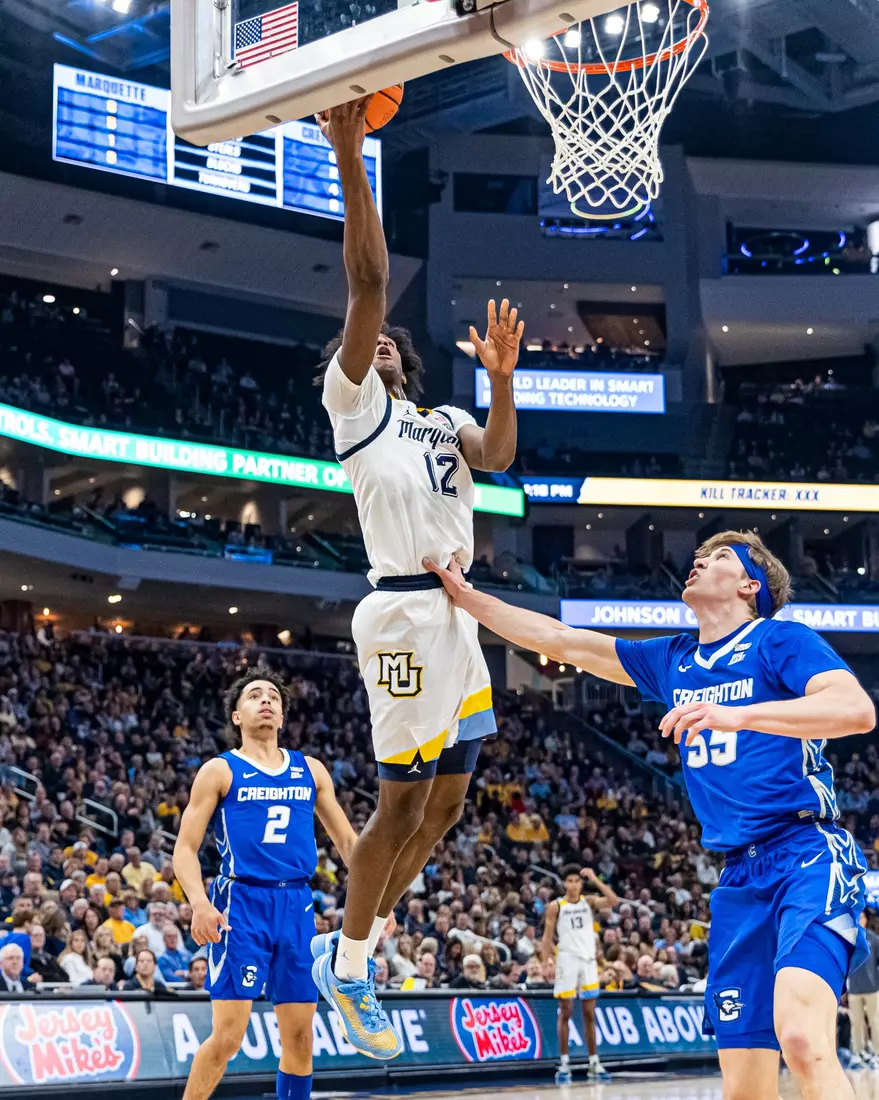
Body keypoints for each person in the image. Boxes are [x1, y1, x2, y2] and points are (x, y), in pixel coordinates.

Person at [424, 530, 874, 1100]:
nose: (698, 561)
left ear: (747, 584)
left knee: (804, 1042)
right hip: (737, 878)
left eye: (717, 558)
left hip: (807, 855)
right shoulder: (673, 659)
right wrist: (467, 598)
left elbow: (856, 710)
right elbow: (562, 640)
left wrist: (740, 717)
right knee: (744, 1089)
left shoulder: (779, 640)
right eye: (699, 554)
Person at [311, 98, 521, 1060]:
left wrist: (505, 380)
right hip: (399, 611)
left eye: (392, 342)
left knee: (445, 804)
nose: (379, 341)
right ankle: (348, 971)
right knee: (398, 805)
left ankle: (355, 941)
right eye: (367, 340)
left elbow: (505, 456)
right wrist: (353, 157)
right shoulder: (354, 409)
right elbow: (367, 282)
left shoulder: (438, 422)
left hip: (457, 617)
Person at [173, 669, 361, 1100]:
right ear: (236, 716)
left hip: (297, 905)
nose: (266, 701)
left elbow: (349, 843)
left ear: (282, 714)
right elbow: (184, 848)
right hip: (240, 905)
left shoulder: (310, 770)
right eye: (254, 695)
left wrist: (378, 906)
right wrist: (200, 904)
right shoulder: (220, 770)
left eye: (273, 696)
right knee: (228, 1039)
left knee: (300, 1040)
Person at [542, 865, 617, 1084]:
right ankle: (564, 1062)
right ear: (564, 883)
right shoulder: (555, 906)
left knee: (589, 1013)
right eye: (570, 881)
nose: (573, 884)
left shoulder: (589, 901)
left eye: (577, 880)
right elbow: (547, 937)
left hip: (588, 961)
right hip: (566, 959)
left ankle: (594, 1061)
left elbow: (613, 900)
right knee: (566, 1011)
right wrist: (546, 960)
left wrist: (595, 878)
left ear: (581, 883)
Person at [848, 910, 879, 1069]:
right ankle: (857, 1054)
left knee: (875, 1022)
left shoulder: (873, 939)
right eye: (857, 917)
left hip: (872, 988)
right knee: (856, 1023)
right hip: (854, 989)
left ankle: (877, 1054)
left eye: (862, 917)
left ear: (866, 920)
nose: (859, 920)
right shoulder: (849, 940)